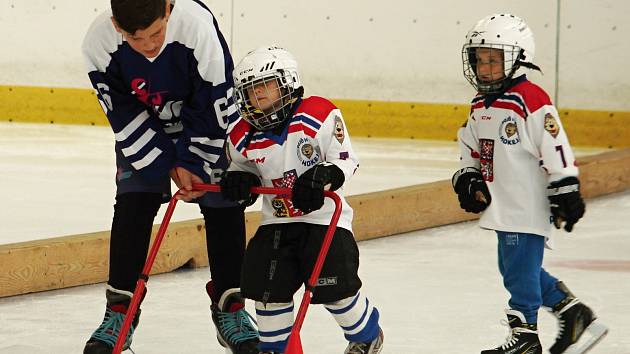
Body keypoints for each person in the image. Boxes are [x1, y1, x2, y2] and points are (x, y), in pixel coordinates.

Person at [81, 1, 258, 353]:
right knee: (133, 201)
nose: (149, 45)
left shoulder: (197, 26)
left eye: (156, 33)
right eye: (136, 38)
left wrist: (191, 160)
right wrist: (165, 164)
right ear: (117, 25)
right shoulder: (97, 44)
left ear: (168, 9)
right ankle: (120, 310)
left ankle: (230, 303)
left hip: (204, 125)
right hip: (147, 129)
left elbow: (213, 99)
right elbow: (125, 114)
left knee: (224, 200)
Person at [453, 13, 608, 354]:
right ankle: (574, 312)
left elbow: (555, 146)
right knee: (514, 266)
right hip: (502, 205)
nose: (485, 67)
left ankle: (525, 338)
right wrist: (468, 178)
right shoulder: (480, 105)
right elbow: (471, 148)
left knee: (517, 272)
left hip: (527, 204)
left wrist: (566, 187)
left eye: (495, 59)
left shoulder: (530, 98)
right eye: (480, 59)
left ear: (518, 58)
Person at [218, 46, 384, 354]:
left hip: (323, 220)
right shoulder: (241, 134)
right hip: (277, 222)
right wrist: (241, 181)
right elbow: (242, 169)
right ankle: (278, 348)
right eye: (250, 91)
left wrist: (325, 175)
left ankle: (367, 333)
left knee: (336, 291)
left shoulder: (319, 114)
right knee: (268, 291)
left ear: (287, 83)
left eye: (264, 86)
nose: (258, 96)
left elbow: (345, 159)